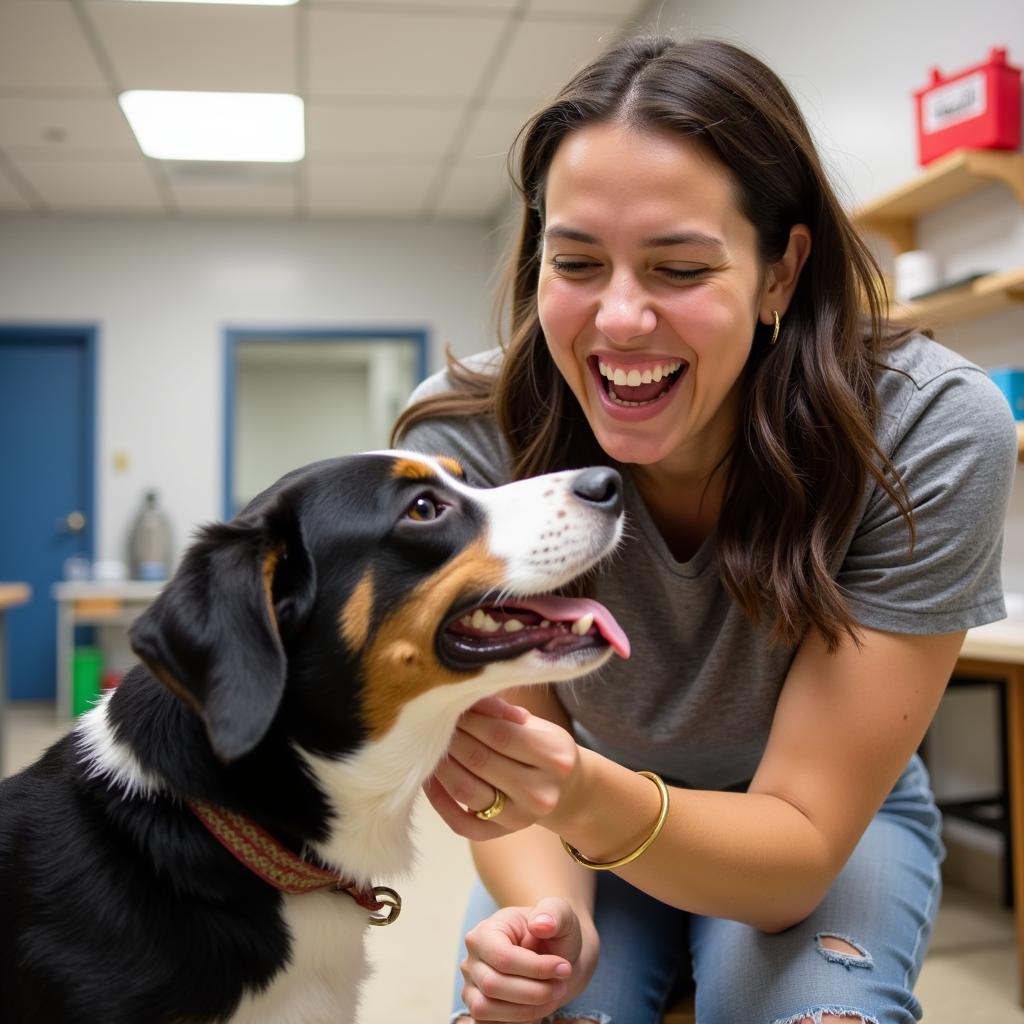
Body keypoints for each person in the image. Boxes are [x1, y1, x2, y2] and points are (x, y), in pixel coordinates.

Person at [392, 34, 1017, 1024]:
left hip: (813, 824)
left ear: (780, 272)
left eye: (679, 267)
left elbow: (796, 852)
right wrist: (549, 921)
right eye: (576, 262)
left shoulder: (926, 427)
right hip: (568, 804)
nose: (621, 318)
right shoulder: (463, 439)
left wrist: (584, 797)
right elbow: (515, 748)